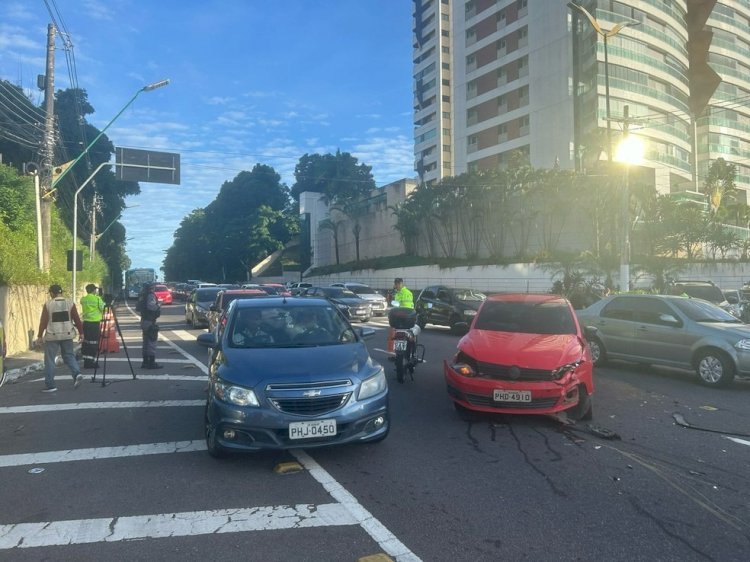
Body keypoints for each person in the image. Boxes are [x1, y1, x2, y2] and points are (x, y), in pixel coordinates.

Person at [35, 284, 84, 392]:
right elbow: (77, 319)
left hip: (52, 336)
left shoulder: (48, 304)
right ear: (61, 292)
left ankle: (51, 385)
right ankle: (77, 373)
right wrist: (81, 333)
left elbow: (43, 321)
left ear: (52, 293)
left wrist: (39, 336)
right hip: (67, 334)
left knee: (50, 360)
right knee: (69, 356)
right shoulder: (70, 303)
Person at [80, 283, 105, 368]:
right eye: (95, 289)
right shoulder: (97, 299)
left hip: (86, 323)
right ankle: (91, 361)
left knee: (86, 342)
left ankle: (86, 361)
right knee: (94, 343)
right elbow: (103, 308)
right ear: (94, 290)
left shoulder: (83, 299)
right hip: (94, 324)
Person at [139, 283, 162, 369]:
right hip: (150, 321)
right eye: (153, 287)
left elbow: (138, 307)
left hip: (144, 320)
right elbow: (151, 306)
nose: (154, 289)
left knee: (145, 342)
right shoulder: (150, 296)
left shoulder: (142, 295)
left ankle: (145, 362)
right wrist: (158, 306)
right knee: (152, 342)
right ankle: (151, 363)